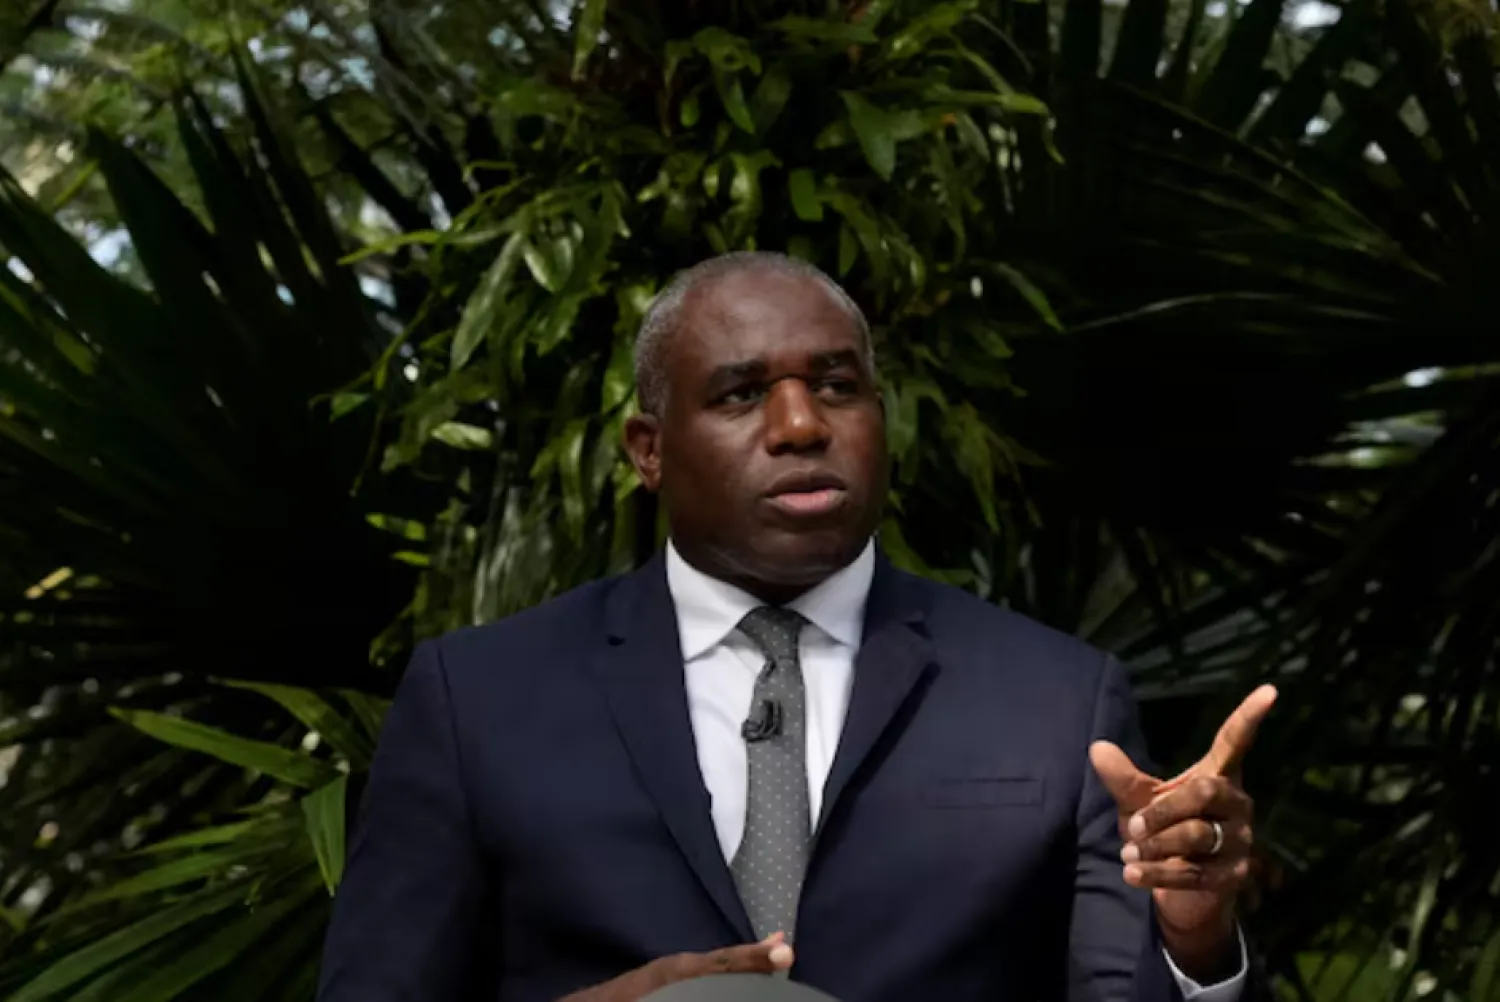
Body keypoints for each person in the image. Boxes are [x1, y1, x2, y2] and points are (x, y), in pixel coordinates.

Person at [316, 252, 1277, 1002]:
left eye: (837, 385)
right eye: (740, 395)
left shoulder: (1056, 701)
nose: (801, 425)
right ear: (649, 452)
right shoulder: (479, 699)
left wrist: (1193, 939)